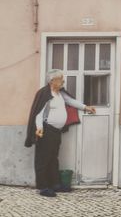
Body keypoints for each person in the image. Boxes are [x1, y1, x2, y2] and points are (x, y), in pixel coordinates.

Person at [24, 69, 96, 197]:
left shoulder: (60, 93)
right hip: (46, 130)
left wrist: (86, 107)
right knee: (43, 159)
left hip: (56, 132)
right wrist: (39, 128)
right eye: (60, 79)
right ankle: (43, 187)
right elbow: (38, 114)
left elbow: (71, 101)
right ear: (52, 81)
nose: (63, 81)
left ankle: (55, 184)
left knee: (53, 158)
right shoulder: (44, 94)